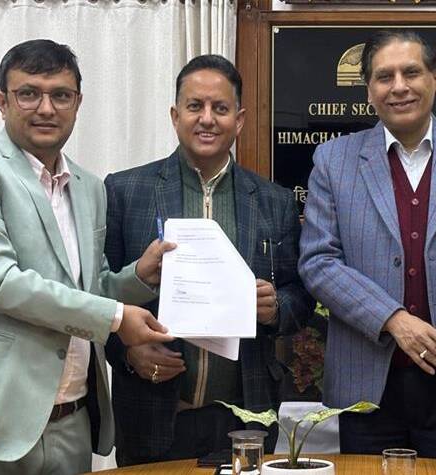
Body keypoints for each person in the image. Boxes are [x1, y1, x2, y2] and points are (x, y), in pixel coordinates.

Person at [0, 39, 174, 475]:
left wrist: (138, 277)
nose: (46, 108)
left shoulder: (89, 186)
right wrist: (117, 318)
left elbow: (87, 288)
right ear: (2, 102)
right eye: (28, 93)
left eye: (60, 95)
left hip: (71, 420)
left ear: (78, 103)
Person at [298, 30, 436, 460]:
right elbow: (318, 262)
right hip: (366, 386)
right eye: (384, 77)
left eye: (411, 72)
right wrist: (394, 320)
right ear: (369, 91)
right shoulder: (333, 160)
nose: (398, 86)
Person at [104, 54, 313, 466]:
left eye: (220, 108)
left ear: (239, 120)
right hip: (151, 412)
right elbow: (96, 293)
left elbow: (301, 296)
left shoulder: (273, 201)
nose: (207, 119)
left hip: (245, 415)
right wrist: (126, 354)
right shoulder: (126, 191)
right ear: (175, 115)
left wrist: (276, 307)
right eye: (194, 106)